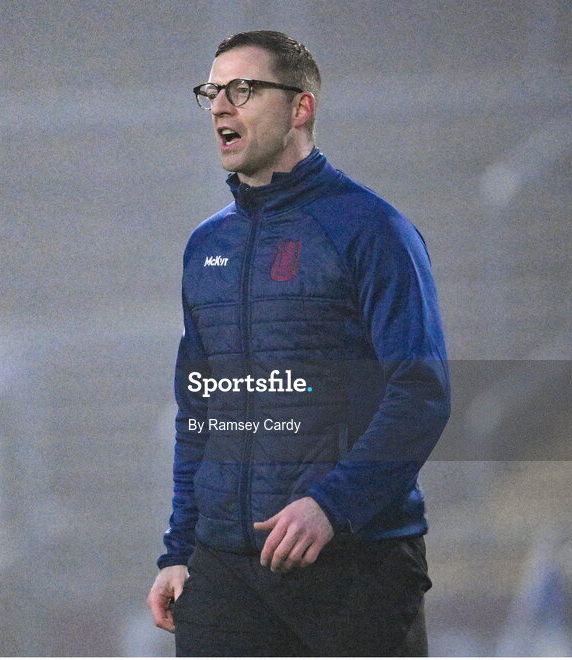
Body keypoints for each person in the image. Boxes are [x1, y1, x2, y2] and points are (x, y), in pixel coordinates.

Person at [147, 30, 450, 656]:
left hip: (355, 569)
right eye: (212, 92)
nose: (221, 107)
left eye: (243, 89)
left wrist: (332, 507)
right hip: (226, 576)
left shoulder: (372, 230)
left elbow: (420, 393)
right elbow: (201, 412)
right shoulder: (207, 247)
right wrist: (180, 549)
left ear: (300, 107)